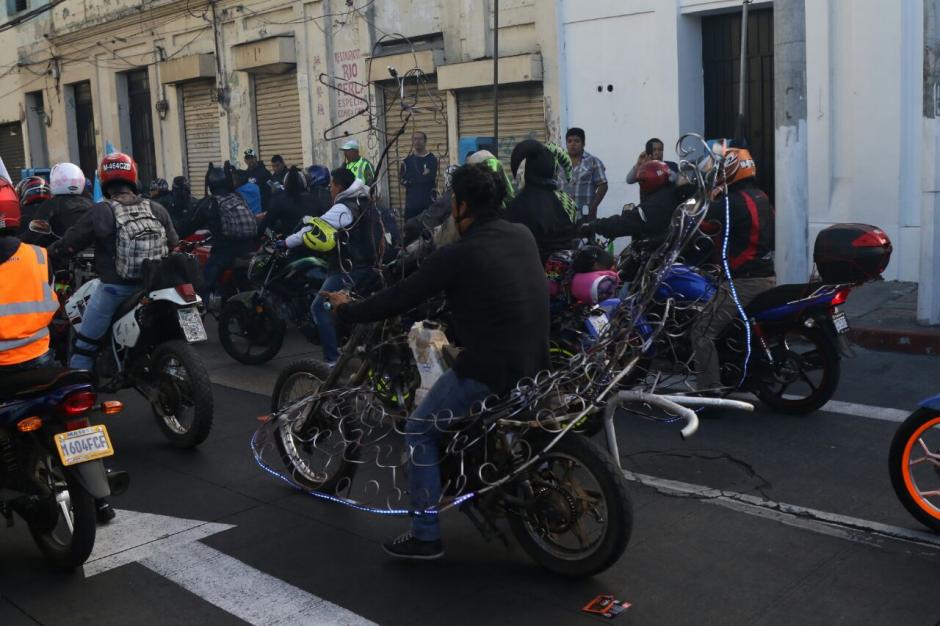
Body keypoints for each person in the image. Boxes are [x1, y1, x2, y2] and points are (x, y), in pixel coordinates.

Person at [320, 163, 550, 559]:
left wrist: (348, 310)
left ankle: (425, 534)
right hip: (538, 359)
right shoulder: (522, 235)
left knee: (418, 430)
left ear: (459, 206)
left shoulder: (458, 254)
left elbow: (400, 297)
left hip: (490, 367)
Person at [50, 152, 178, 372]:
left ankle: (79, 391)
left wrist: (50, 253)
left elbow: (71, 243)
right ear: (133, 176)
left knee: (85, 345)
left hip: (115, 288)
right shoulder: (156, 208)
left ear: (104, 180)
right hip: (155, 287)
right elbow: (174, 243)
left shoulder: (102, 211)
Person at [690, 147, 775, 394]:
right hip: (765, 274)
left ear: (730, 169)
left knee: (701, 331)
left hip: (743, 281)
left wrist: (702, 195)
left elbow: (701, 221)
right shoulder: (761, 196)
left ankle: (709, 392)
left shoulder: (730, 203)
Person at [283, 167, 381, 366]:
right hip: (370, 265)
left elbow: (313, 228)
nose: (330, 190)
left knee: (319, 307)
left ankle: (331, 360)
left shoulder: (343, 208)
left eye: (331, 186)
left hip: (349, 267)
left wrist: (285, 242)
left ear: (339, 186)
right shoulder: (365, 201)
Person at [188, 165, 258, 299]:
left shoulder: (211, 202)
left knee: (203, 283)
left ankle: (199, 316)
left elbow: (190, 225)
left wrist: (172, 236)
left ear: (210, 184)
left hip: (226, 252)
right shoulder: (238, 196)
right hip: (250, 247)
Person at [579, 160, 687, 244]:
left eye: (641, 181)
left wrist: (594, 225)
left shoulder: (656, 204)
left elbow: (624, 222)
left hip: (661, 257)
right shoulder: (674, 194)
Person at [505, 140, 578, 263]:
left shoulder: (517, 205)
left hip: (533, 273)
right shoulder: (567, 202)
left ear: (528, 171)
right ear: (552, 171)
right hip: (565, 273)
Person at [21, 163, 92, 249]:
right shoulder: (90, 203)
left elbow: (34, 232)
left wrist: (15, 242)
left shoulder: (51, 204)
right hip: (93, 253)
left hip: (64, 254)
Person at [260, 166, 326, 236]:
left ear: (285, 183)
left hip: (289, 243)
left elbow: (265, 224)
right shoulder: (314, 198)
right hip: (314, 242)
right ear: (305, 182)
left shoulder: (280, 200)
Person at [564, 127, 608, 221]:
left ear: (583, 144)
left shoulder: (594, 162)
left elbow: (603, 186)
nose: (573, 144)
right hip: (562, 215)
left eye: (577, 141)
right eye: (569, 141)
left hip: (586, 215)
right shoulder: (559, 162)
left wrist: (592, 207)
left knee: (585, 234)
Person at [399, 131, 439, 220]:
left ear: (425, 141)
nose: (417, 141)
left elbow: (430, 178)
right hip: (412, 205)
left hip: (428, 203)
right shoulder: (407, 161)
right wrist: (417, 179)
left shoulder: (432, 160)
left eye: (420, 139)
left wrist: (413, 180)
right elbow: (402, 179)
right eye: (415, 139)